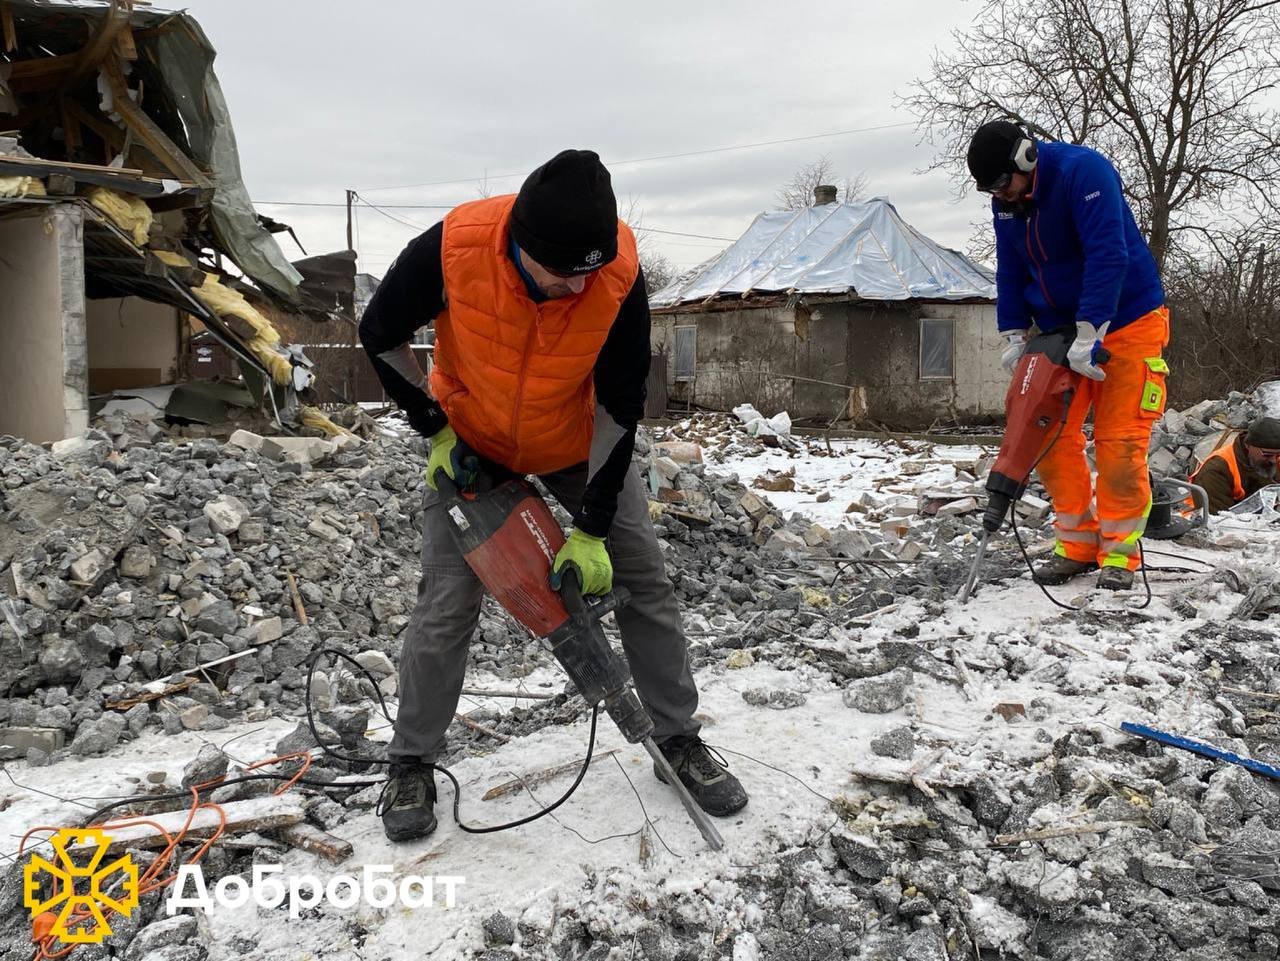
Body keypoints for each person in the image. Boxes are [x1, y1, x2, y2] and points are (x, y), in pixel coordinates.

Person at [358, 148, 748, 842]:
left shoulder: (616, 274)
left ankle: (678, 739)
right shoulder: (456, 247)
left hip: (572, 443)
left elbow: (622, 403)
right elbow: (377, 331)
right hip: (472, 442)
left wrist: (593, 526)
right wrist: (435, 427)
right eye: (561, 273)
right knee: (448, 599)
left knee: (644, 577)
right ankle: (411, 758)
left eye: (587, 272)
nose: (577, 287)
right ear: (519, 246)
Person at [967, 120, 1170, 591]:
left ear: (1026, 160)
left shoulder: (1085, 172)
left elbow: (1107, 253)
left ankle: (1119, 553)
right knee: (1049, 437)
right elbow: (1010, 264)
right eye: (990, 190)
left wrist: (1091, 329)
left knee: (1118, 443)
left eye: (1003, 183)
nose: (1001, 196)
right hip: (1058, 330)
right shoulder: (1008, 204)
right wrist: (1014, 330)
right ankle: (1076, 544)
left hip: (1128, 320)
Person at [1191, 416, 1280, 513]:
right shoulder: (1215, 471)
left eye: (1278, 454)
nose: (1274, 460)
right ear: (1248, 445)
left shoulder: (1272, 457)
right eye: (1267, 455)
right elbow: (1218, 520)